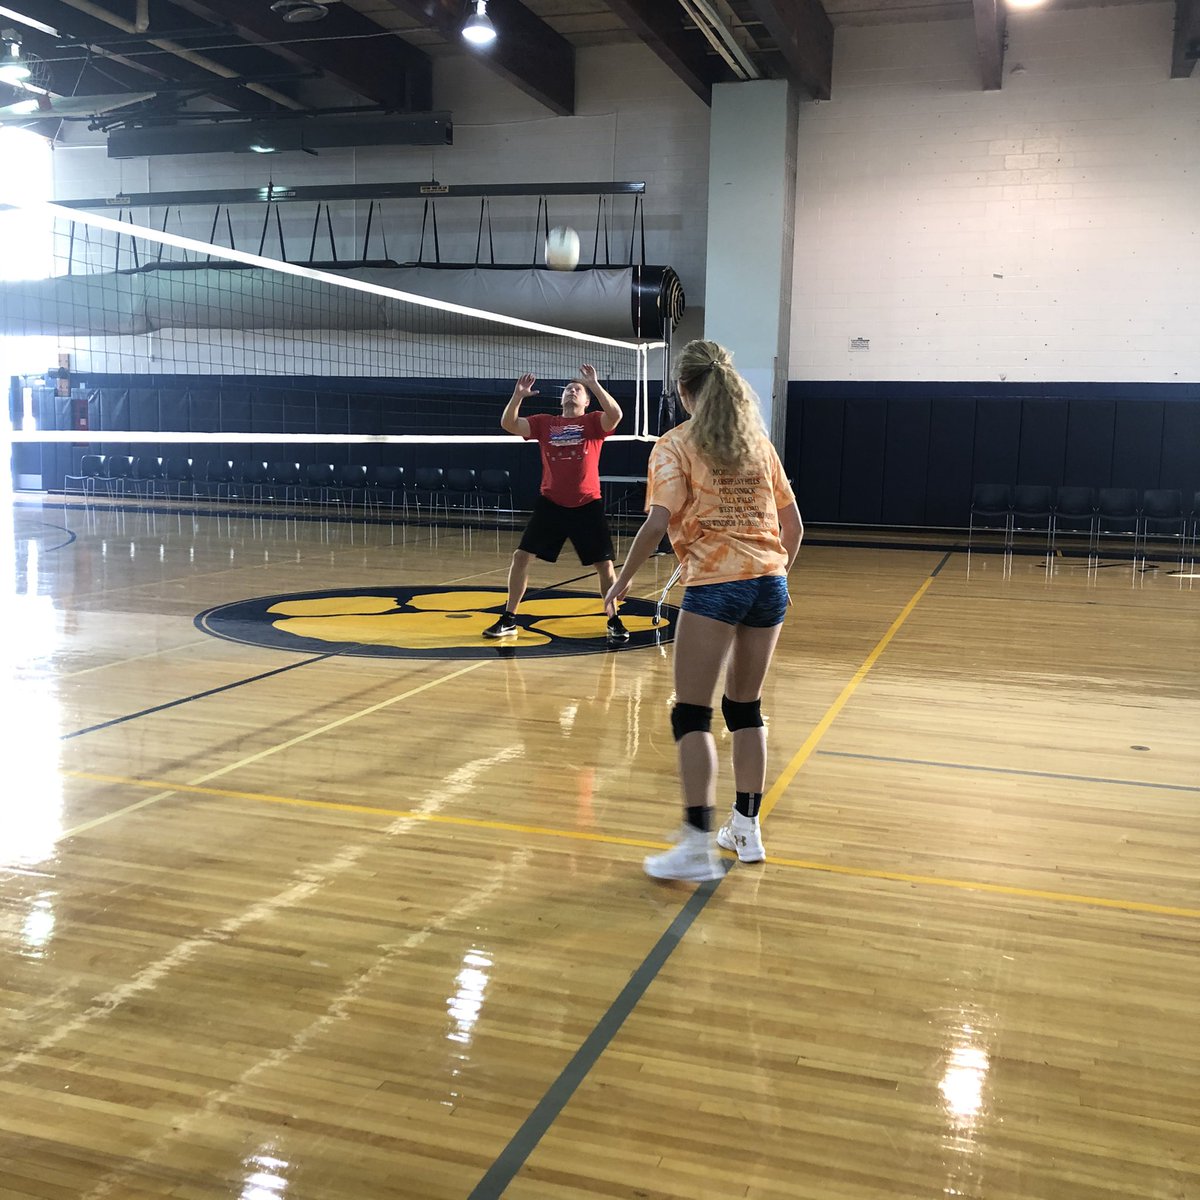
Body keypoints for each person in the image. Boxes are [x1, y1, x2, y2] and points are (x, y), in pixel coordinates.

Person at [604, 339, 803, 882]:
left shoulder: (674, 446)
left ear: (684, 391)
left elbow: (655, 521)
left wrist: (620, 583)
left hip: (717, 586)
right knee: (746, 708)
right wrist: (772, 572)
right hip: (769, 584)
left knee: (691, 713)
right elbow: (794, 528)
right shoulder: (756, 443)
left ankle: (695, 845)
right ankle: (747, 829)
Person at [483, 366, 630, 644]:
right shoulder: (544, 422)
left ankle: (613, 619)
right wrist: (517, 396)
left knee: (605, 565)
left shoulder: (594, 422)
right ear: (561, 398)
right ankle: (509, 618)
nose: (572, 391)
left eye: (578, 390)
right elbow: (509, 424)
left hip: (588, 504)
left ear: (586, 401)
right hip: (551, 504)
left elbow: (617, 415)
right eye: (568, 389)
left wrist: (595, 385)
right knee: (520, 557)